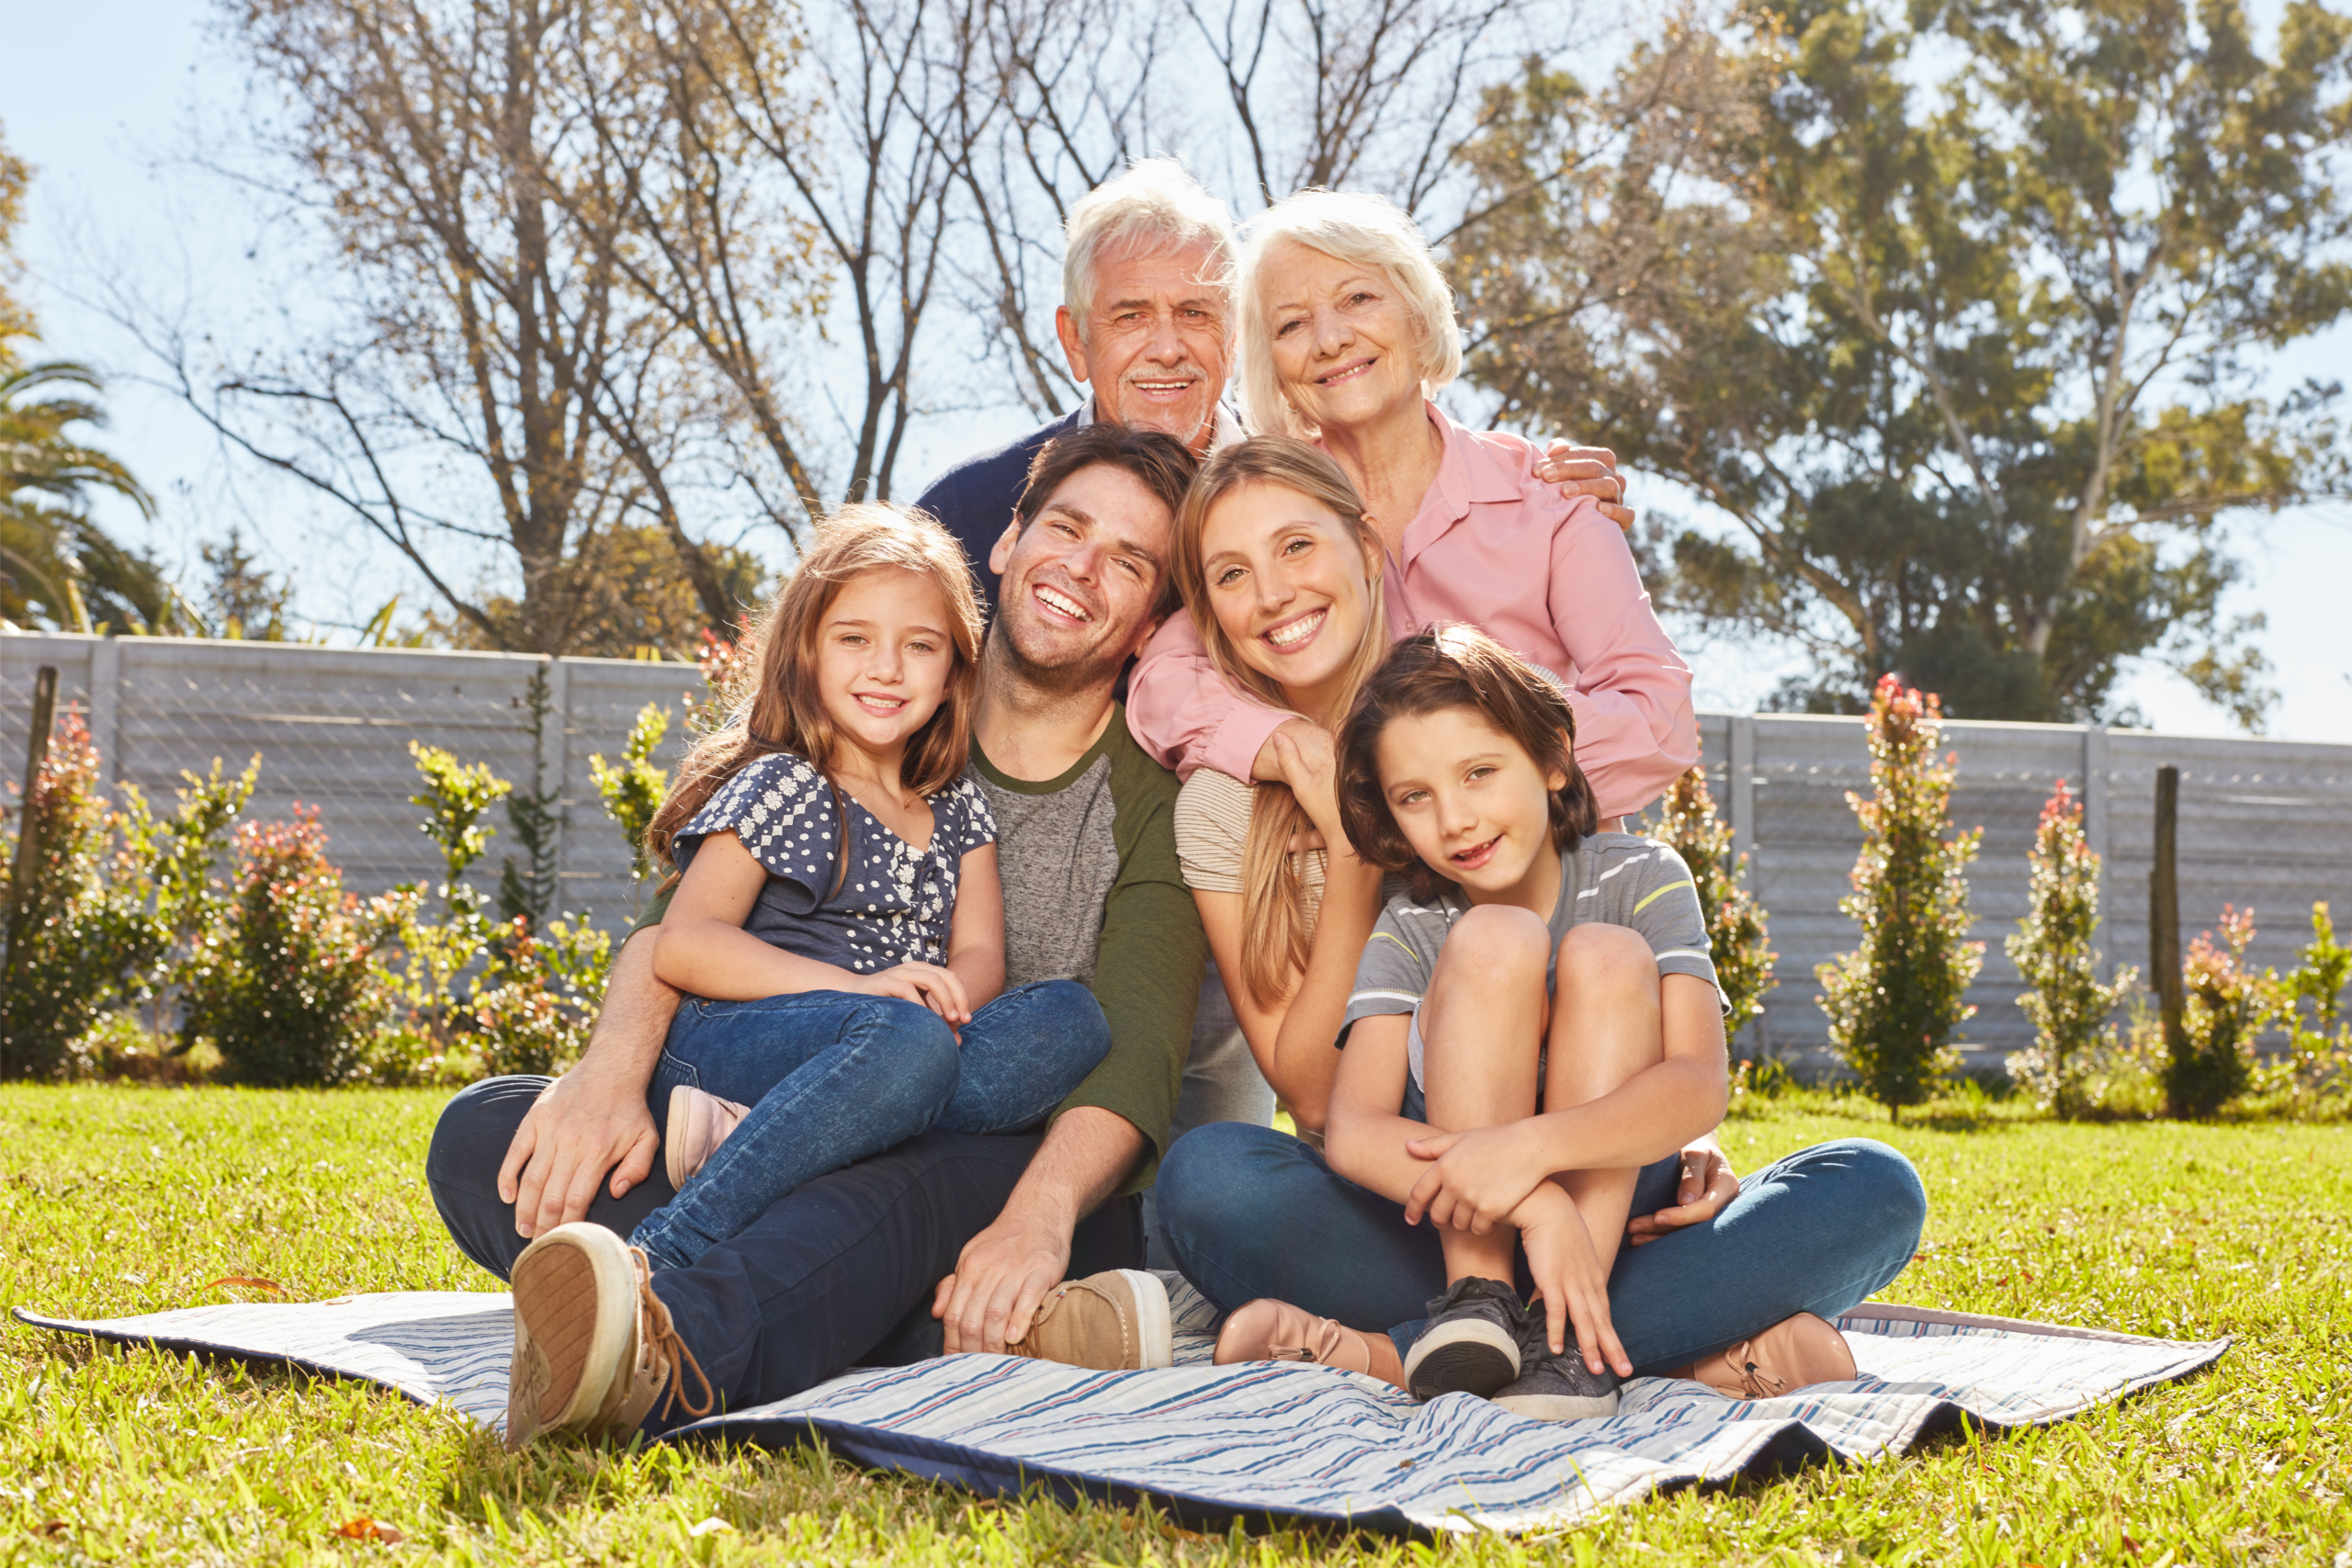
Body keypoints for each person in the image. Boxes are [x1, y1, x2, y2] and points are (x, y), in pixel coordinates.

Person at [425, 423, 1211, 1448]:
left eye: (1131, 561)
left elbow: (1135, 1058)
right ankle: (979, 1335)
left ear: (1155, 616)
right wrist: (611, 1079)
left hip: (996, 1164)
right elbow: (679, 937)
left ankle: (666, 1348)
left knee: (931, 1136)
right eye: (1066, 527)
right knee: (489, 1134)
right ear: (1009, 542)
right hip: (792, 1082)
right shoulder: (869, 724)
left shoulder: (1153, 799)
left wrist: (1037, 1217)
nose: (1083, 568)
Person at [1151, 628, 1927, 1415]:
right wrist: (1535, 1202)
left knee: (1875, 1185)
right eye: (1414, 796)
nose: (1455, 819)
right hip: (1445, 1233)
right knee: (1207, 1174)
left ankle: (1401, 1351)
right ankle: (1511, 1315)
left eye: (1480, 772)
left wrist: (1527, 1151)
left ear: (1552, 759)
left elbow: (1697, 1084)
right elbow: (1353, 1130)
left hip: (1622, 1230)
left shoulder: (1643, 877)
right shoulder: (1413, 920)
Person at [610, 506, 1111, 1279]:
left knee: (1071, 1017)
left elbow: (981, 954)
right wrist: (866, 994)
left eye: (920, 646)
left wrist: (939, 1003)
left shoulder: (957, 806)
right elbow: (686, 944)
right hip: (739, 1039)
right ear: (807, 651)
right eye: (855, 639)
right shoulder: (786, 782)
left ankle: (793, 1132)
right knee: (901, 1047)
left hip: (904, 1042)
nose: (887, 668)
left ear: (953, 676)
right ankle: (663, 1251)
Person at [1126, 188, 1698, 835]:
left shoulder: (1551, 500)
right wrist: (1292, 744)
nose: (1331, 339)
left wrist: (1463, 773)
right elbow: (1162, 685)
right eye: (1292, 324)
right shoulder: (1263, 515)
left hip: (1552, 879)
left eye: (1358, 299)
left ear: (1419, 317)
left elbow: (1661, 717)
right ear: (1276, 372)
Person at [1164, 436, 1394, 1133]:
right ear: (1212, 617)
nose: (1272, 595)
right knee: (1215, 1175)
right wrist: (1354, 854)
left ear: (1368, 550)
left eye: (1296, 546)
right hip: (1369, 1170)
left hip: (1540, 1136)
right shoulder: (1219, 803)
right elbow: (1317, 1100)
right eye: (1231, 575)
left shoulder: (1467, 730)